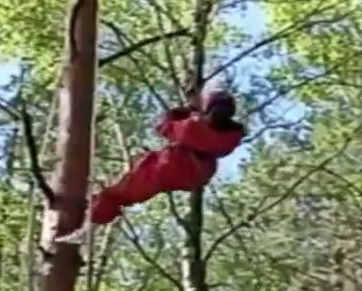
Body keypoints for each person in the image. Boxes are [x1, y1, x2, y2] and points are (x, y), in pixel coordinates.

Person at [56, 79, 246, 245]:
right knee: (121, 190)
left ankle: (87, 229)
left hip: (169, 167)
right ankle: (90, 214)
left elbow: (165, 127)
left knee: (117, 194)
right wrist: (194, 108)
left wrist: (188, 109)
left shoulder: (193, 126)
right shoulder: (230, 136)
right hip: (190, 172)